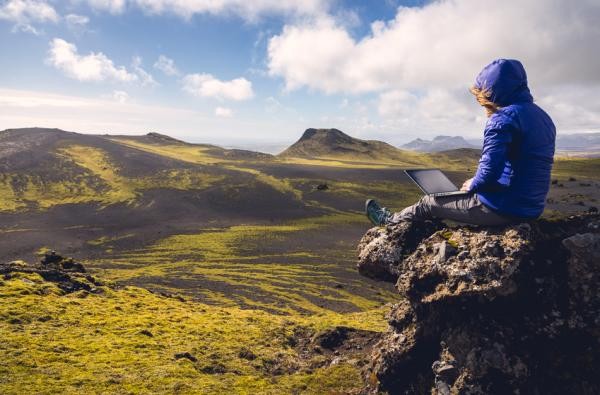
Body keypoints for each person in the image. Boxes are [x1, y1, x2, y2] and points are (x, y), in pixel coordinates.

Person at [366, 59, 556, 226]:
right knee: (448, 200)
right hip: (532, 208)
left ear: (492, 91)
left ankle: (388, 222)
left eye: (482, 94)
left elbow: (490, 171)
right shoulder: (544, 118)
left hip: (503, 208)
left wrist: (474, 184)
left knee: (428, 202)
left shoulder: (502, 118)